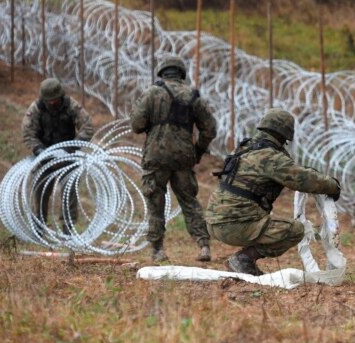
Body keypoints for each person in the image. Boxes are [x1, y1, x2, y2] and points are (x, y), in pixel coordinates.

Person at [205, 109, 342, 276]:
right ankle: (243, 260)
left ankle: (244, 260)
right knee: (295, 230)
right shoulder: (270, 157)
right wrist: (332, 186)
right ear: (285, 134)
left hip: (213, 222)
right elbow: (303, 179)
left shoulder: (244, 148)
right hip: (233, 225)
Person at [130, 56, 217, 263]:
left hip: (156, 156)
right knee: (189, 201)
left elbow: (136, 124)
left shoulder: (152, 93)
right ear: (181, 74)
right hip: (183, 158)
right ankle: (203, 245)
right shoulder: (193, 96)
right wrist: (198, 150)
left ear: (162, 72)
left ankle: (158, 250)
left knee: (155, 202)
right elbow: (210, 129)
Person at [22, 78, 94, 234]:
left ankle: (68, 228)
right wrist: (39, 150)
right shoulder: (37, 109)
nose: (53, 103)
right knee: (40, 190)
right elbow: (28, 132)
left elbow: (87, 126)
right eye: (49, 101)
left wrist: (71, 146)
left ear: (61, 96)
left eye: (55, 100)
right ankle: (39, 226)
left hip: (67, 156)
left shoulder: (71, 106)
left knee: (69, 190)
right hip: (45, 157)